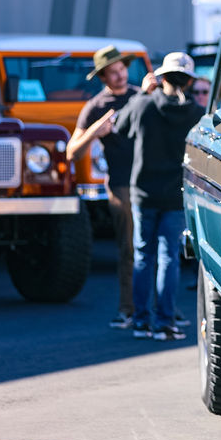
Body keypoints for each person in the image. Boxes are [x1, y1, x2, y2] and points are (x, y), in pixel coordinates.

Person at [114, 53, 205, 341]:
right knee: (169, 259)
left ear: (162, 78)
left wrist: (142, 91)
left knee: (143, 255)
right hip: (175, 195)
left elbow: (119, 127)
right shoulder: (196, 115)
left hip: (143, 193)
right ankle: (165, 322)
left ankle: (141, 321)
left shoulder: (143, 105)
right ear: (189, 81)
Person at [66, 45, 139, 329]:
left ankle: (158, 312)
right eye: (112, 72)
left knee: (159, 249)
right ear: (103, 77)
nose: (119, 75)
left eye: (121, 69)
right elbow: (72, 152)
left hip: (151, 183)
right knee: (128, 249)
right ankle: (127, 309)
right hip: (121, 186)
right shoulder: (95, 106)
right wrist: (95, 132)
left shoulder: (141, 97)